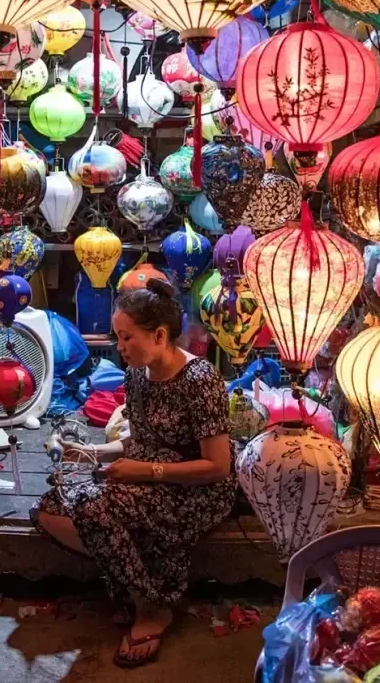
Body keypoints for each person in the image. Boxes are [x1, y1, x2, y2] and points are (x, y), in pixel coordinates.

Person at [33, 277, 236, 668]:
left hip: (196, 488)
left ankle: (152, 607)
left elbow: (218, 465)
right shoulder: (138, 375)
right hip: (145, 477)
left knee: (95, 512)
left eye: (127, 338)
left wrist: (146, 471)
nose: (120, 347)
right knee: (51, 509)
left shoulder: (200, 380)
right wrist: (89, 451)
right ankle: (135, 577)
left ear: (159, 335)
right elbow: (135, 441)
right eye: (117, 337)